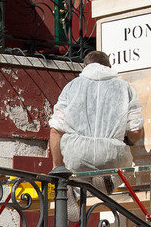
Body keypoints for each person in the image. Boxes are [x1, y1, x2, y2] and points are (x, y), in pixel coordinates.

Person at [48, 50, 144, 191]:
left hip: (77, 153)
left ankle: (74, 193)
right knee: (118, 172)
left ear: (85, 65)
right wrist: (127, 140)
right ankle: (105, 186)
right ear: (109, 67)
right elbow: (135, 131)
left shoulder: (71, 87)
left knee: (76, 183)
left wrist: (57, 166)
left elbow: (55, 129)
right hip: (111, 154)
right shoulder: (125, 87)